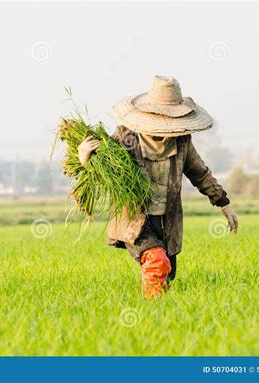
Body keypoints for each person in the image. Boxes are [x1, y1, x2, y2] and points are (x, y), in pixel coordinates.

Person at [78, 76, 238, 298]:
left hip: (167, 218)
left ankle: (163, 319)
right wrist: (86, 158)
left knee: (167, 274)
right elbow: (107, 174)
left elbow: (199, 172)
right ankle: (152, 315)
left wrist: (223, 203)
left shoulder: (181, 141)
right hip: (135, 218)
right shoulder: (126, 138)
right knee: (157, 261)